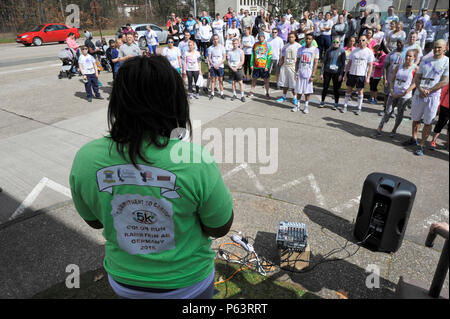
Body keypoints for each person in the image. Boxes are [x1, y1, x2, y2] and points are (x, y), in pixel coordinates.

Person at [70, 55, 234, 300]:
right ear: (176, 102)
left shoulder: (86, 158)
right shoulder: (195, 160)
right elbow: (219, 226)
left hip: (126, 281)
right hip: (187, 283)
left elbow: (95, 222)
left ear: (117, 103)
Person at [405, 39, 449, 156]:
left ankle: (422, 144)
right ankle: (414, 139)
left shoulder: (447, 62)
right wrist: (419, 89)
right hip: (419, 94)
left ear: (445, 48)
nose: (436, 49)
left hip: (433, 96)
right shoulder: (425, 60)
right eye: (435, 47)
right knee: (415, 118)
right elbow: (417, 77)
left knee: (428, 122)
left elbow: (444, 81)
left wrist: (429, 90)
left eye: (439, 47)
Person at [372, 49, 418, 138]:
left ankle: (394, 130)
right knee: (388, 111)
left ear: (414, 58)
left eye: (410, 56)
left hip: (404, 96)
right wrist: (392, 90)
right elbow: (392, 80)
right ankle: (380, 128)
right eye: (407, 55)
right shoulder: (399, 66)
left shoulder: (415, 68)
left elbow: (414, 83)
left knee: (400, 113)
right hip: (393, 93)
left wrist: (405, 92)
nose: (408, 57)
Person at [341, 34, 375, 115]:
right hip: (352, 73)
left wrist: (368, 77)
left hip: (361, 75)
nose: (361, 42)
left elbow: (370, 66)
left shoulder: (369, 52)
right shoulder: (354, 51)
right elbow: (349, 63)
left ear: (367, 41)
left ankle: (359, 108)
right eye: (359, 40)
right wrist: (345, 74)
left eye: (363, 40)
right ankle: (345, 106)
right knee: (348, 89)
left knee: (360, 91)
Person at [294, 34, 319, 114]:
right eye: (307, 39)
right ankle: (297, 105)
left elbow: (316, 63)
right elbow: (297, 61)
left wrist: (313, 75)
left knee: (307, 91)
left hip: (308, 73)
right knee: (299, 90)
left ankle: (306, 106)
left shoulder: (315, 50)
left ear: (312, 40)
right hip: (301, 72)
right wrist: (296, 72)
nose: (308, 40)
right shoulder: (300, 49)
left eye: (309, 39)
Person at [320, 36, 346, 110]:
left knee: (336, 88)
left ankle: (336, 103)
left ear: (340, 43)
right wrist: (321, 73)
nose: (335, 43)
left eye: (337, 42)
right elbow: (324, 62)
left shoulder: (342, 51)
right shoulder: (328, 50)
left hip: (337, 72)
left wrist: (341, 74)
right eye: (334, 42)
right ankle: (322, 101)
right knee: (325, 87)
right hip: (327, 71)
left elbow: (343, 64)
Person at [276, 32, 301, 107]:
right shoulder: (285, 46)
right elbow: (283, 57)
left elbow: (299, 58)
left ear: (295, 38)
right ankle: (284, 96)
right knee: (285, 83)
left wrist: (298, 68)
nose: (290, 38)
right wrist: (279, 65)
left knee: (294, 84)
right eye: (289, 37)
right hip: (285, 66)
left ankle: (295, 98)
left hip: (293, 66)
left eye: (292, 37)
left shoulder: (298, 46)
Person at [381, 39, 405, 116]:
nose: (399, 45)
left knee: (396, 95)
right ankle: (385, 109)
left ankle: (392, 111)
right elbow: (385, 67)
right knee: (387, 94)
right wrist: (385, 78)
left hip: (399, 79)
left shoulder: (406, 54)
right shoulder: (391, 54)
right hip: (389, 77)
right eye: (398, 43)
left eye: (400, 43)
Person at [247, 32, 272, 99]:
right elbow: (252, 55)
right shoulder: (255, 44)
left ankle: (267, 93)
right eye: (259, 37)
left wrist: (267, 66)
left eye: (262, 37)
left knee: (266, 80)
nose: (260, 38)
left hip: (264, 67)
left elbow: (269, 56)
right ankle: (251, 91)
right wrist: (251, 64)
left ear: (264, 37)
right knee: (254, 80)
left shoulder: (268, 45)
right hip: (256, 66)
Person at [429, 83, 449, 150]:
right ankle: (433, 141)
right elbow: (443, 92)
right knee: (440, 124)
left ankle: (447, 143)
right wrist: (439, 105)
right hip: (446, 106)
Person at [208, 34, 227, 100]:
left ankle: (222, 93)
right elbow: (209, 58)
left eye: (216, 39)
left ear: (218, 39)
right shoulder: (210, 48)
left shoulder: (222, 47)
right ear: (212, 40)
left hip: (220, 66)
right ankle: (212, 93)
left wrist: (218, 65)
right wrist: (213, 65)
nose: (215, 40)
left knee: (220, 80)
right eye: (214, 39)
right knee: (213, 80)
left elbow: (224, 58)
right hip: (213, 66)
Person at [227, 37, 246, 102]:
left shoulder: (241, 51)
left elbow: (242, 61)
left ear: (238, 44)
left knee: (240, 83)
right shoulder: (230, 52)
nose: (235, 44)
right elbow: (228, 61)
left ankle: (242, 96)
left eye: (236, 43)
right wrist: (232, 68)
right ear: (232, 44)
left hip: (238, 69)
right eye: (234, 43)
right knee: (233, 82)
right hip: (232, 69)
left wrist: (236, 67)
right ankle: (234, 94)